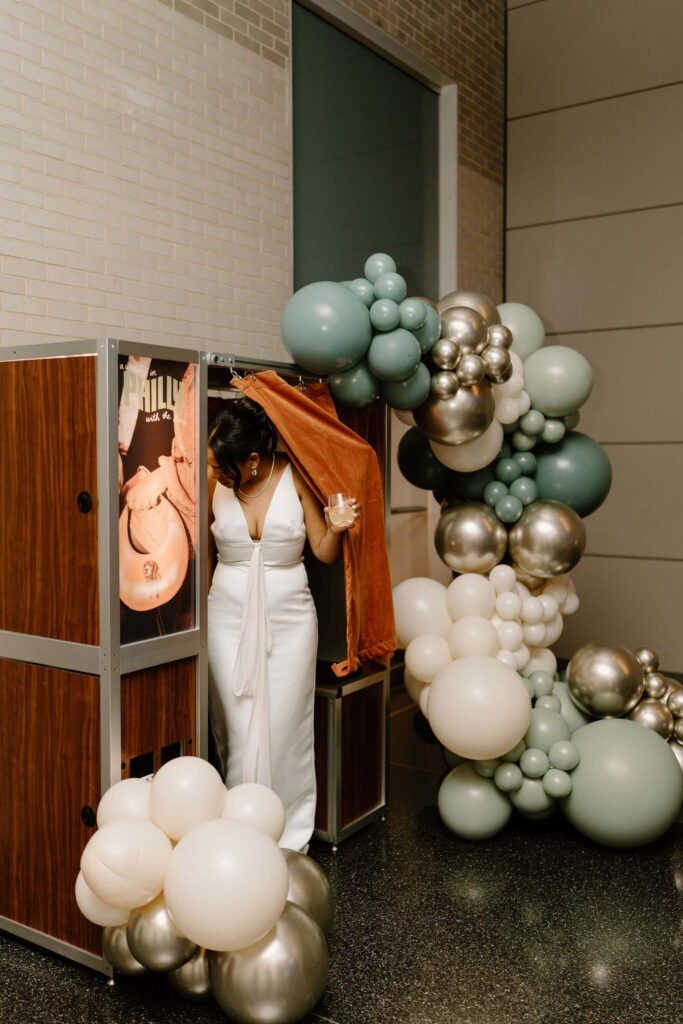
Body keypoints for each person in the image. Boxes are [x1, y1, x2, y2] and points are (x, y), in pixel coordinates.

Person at [207, 397, 359, 852]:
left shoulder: (294, 475)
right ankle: (238, 829)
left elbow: (324, 551)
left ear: (253, 460)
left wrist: (337, 526)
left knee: (286, 726)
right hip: (226, 618)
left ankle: (286, 837)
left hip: (290, 618)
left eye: (224, 466)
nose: (216, 473)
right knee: (236, 722)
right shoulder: (212, 476)